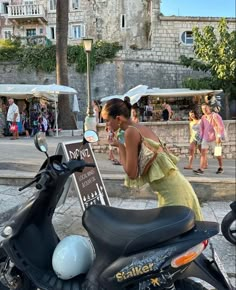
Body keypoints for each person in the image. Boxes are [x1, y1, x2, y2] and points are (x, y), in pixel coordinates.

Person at [101, 98, 203, 221]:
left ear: (118, 119)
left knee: (173, 237)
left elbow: (132, 173)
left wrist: (120, 147)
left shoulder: (130, 132)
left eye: (107, 121)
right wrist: (119, 145)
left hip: (174, 194)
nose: (105, 125)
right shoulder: (138, 128)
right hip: (175, 188)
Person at [194, 103, 225, 175]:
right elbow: (202, 128)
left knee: (217, 154)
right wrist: (201, 138)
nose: (204, 110)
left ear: (209, 108)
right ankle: (201, 169)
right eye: (202, 109)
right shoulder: (203, 117)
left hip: (215, 138)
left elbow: (220, 126)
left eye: (205, 108)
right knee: (203, 153)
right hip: (205, 138)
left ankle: (221, 167)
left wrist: (219, 136)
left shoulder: (215, 116)